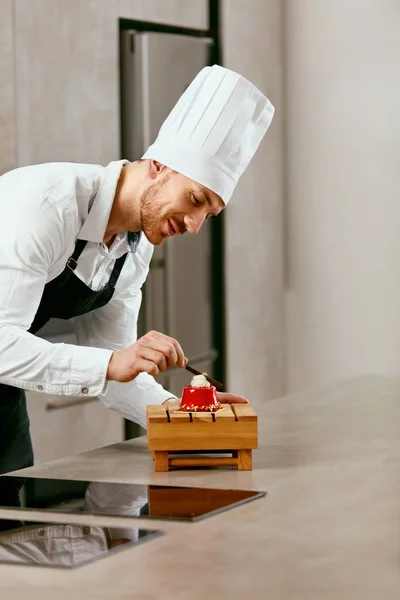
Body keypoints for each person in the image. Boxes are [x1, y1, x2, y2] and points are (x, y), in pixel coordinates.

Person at [0, 64, 275, 481]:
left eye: (209, 214)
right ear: (158, 166)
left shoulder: (134, 247)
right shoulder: (48, 206)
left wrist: (178, 413)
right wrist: (113, 362)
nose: (194, 225)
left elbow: (117, 365)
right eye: (195, 198)